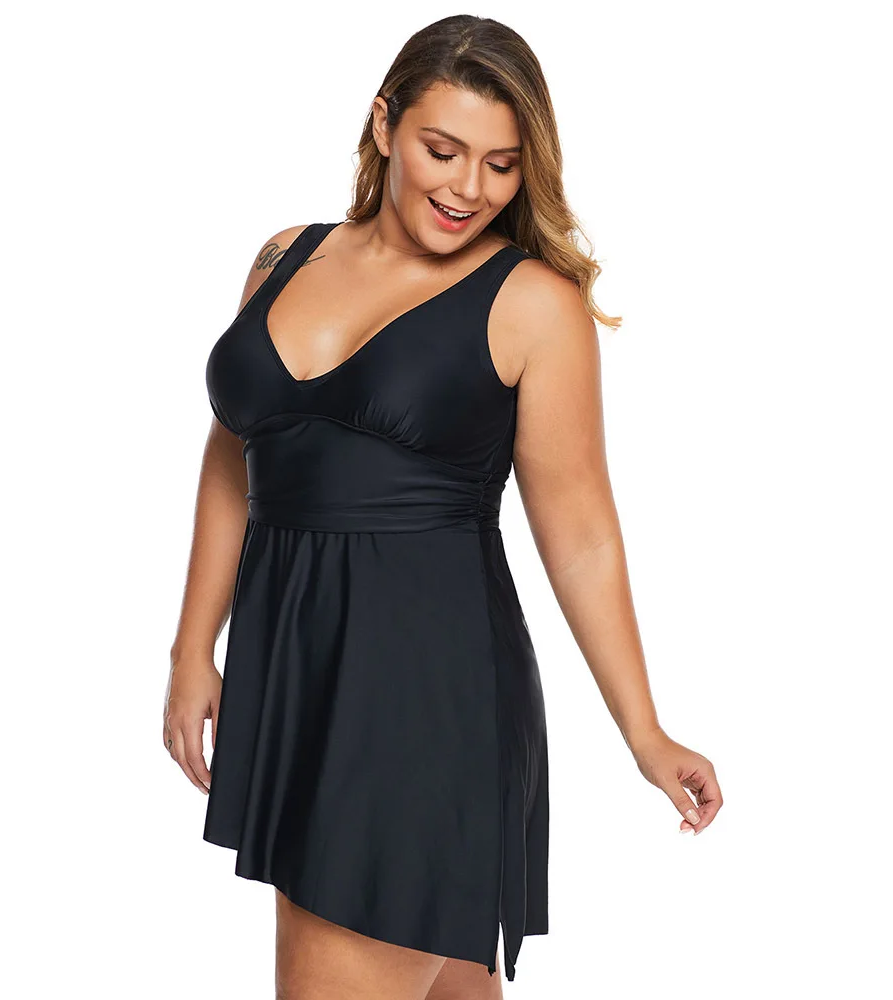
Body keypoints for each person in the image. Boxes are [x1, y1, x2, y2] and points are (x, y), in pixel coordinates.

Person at [163, 14, 722, 999]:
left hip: (423, 696)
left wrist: (644, 731)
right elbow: (237, 451)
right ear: (384, 125)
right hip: (298, 677)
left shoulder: (531, 303)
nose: (469, 188)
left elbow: (582, 535)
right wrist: (190, 648)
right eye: (443, 150)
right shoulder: (284, 257)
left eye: (501, 165)